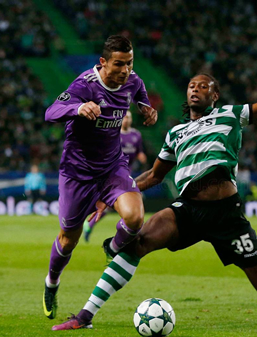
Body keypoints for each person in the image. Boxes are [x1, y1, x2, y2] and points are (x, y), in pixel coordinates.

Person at [51, 51, 257, 330]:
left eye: (204, 86)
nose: (195, 89)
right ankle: (84, 316)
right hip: (187, 210)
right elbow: (154, 176)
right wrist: (110, 198)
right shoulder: (176, 133)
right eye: (192, 85)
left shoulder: (231, 115)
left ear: (215, 95)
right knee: (136, 244)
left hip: (226, 215)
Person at [42, 35, 158, 320]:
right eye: (119, 64)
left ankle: (113, 246)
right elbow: (51, 112)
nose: (125, 70)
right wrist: (77, 108)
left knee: (134, 217)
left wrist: (146, 108)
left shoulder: (132, 80)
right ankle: (51, 282)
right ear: (103, 62)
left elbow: (139, 90)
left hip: (112, 168)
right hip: (77, 173)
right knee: (69, 239)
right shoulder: (84, 85)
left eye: (129, 63)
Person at [82, 110, 147, 242]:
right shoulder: (114, 134)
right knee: (134, 199)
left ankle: (90, 223)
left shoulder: (136, 135)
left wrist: (143, 159)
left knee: (113, 205)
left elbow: (139, 152)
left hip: (128, 173)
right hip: (114, 173)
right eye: (125, 117)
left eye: (129, 117)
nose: (127, 120)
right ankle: (130, 233)